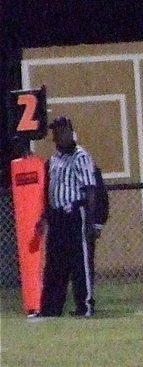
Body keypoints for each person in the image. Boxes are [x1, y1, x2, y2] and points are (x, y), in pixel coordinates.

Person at [38, 116, 97, 317]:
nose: (57, 135)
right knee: (54, 263)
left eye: (61, 130)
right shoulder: (54, 159)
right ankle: (51, 308)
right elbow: (50, 190)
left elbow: (90, 189)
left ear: (70, 132)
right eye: (55, 131)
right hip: (57, 216)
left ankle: (85, 306)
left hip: (74, 213)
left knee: (79, 262)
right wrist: (45, 216)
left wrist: (90, 220)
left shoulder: (80, 156)